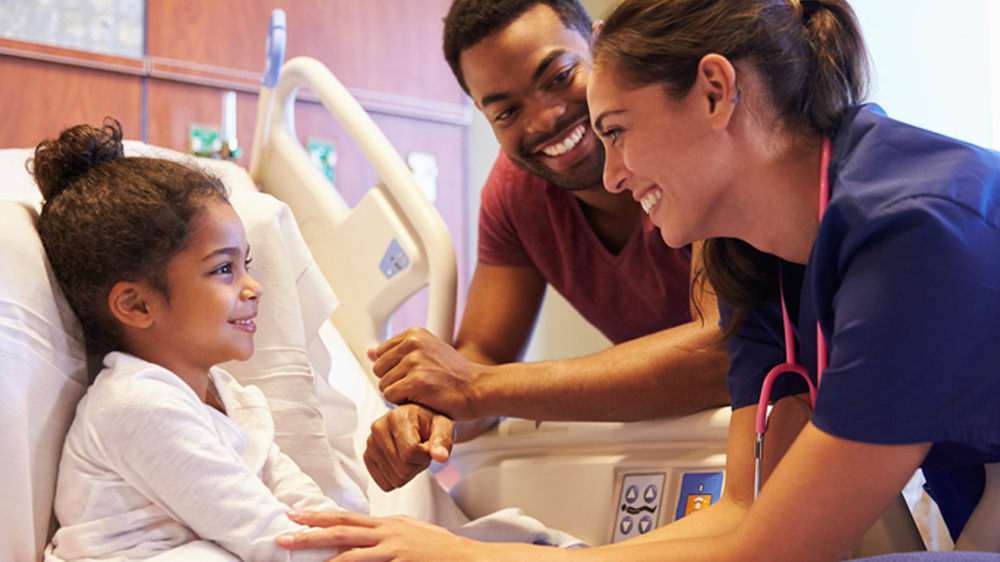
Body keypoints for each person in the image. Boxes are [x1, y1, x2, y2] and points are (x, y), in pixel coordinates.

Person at [276, 0, 1000, 560]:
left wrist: (472, 555)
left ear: (715, 91)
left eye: (616, 127)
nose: (612, 171)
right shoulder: (759, 261)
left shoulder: (914, 236)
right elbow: (745, 516)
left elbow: (778, 548)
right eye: (503, 110)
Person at [361, 0, 730, 493]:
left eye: (558, 77)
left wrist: (473, 388)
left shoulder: (691, 137)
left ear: (600, 46)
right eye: (508, 110)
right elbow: (484, 353)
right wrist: (432, 413)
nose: (545, 119)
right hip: (682, 441)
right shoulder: (516, 195)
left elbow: (721, 351)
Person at [34, 120, 361, 562]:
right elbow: (275, 541)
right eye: (224, 270)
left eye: (245, 264)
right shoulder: (135, 406)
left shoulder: (231, 397)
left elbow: (309, 513)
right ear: (137, 305)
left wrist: (373, 541)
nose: (254, 287)